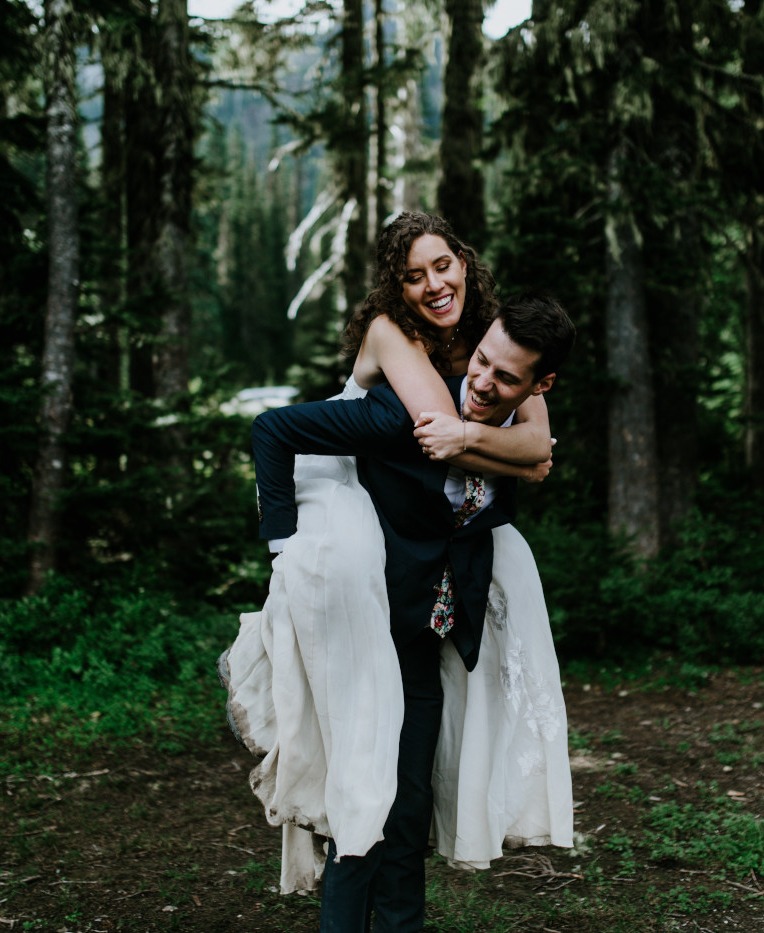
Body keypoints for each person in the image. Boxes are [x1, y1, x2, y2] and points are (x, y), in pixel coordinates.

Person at [220, 214, 574, 929]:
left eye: (442, 265)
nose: (432, 284)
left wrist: (519, 446)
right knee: (361, 793)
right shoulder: (396, 366)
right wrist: (283, 550)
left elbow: (501, 431)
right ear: (394, 284)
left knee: (405, 800)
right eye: (413, 274)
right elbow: (433, 433)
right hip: (359, 596)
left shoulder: (493, 344)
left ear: (465, 263)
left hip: (423, 616)